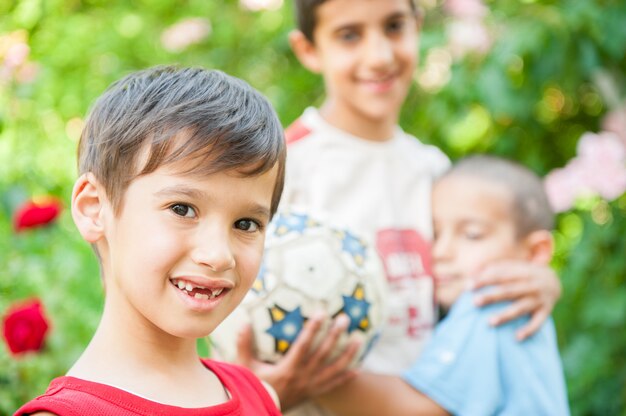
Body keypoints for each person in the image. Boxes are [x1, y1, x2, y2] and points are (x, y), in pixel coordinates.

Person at [234, 0, 563, 413]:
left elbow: (472, 292)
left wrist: (541, 283)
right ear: (308, 50)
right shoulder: (281, 169)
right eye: (349, 35)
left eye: (394, 27)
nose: (379, 56)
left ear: (417, 27)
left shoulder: (433, 170)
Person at [15, 65, 286, 416]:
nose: (219, 255)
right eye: (183, 209)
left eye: (246, 223)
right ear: (95, 208)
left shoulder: (261, 398)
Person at [316, 155, 571, 415]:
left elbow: (420, 409)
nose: (441, 251)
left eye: (472, 234)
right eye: (435, 234)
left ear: (535, 252)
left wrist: (315, 375)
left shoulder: (490, 303)